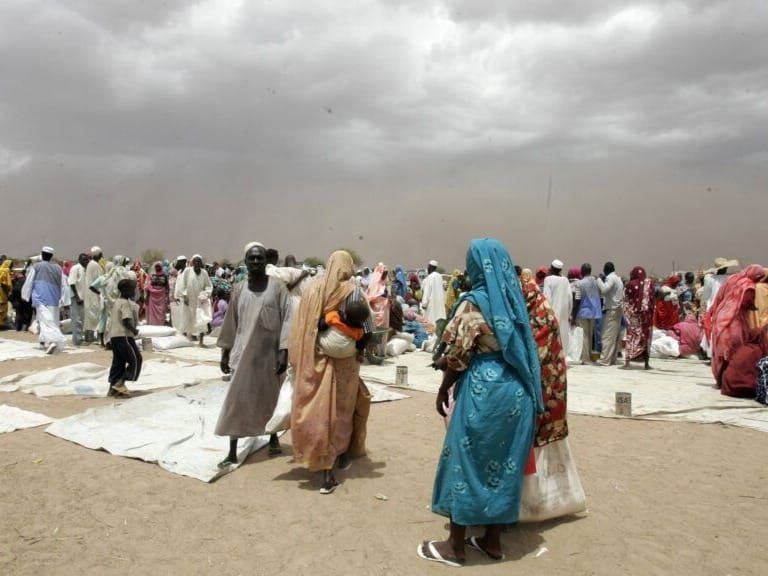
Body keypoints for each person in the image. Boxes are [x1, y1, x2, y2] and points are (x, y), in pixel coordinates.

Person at [418, 239, 543, 567]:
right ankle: (492, 540)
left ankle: (456, 546)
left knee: (465, 459)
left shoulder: (473, 304)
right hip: (517, 392)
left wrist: (442, 389)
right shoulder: (515, 302)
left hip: (484, 391)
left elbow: (458, 356)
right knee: (504, 466)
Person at [290, 250, 371, 494]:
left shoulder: (313, 290)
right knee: (341, 411)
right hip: (344, 366)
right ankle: (336, 458)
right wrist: (358, 348)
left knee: (317, 409)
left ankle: (315, 456)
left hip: (316, 360)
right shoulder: (353, 291)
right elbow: (368, 328)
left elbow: (303, 327)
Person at [215, 243, 291, 467]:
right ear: (246, 262)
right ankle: (232, 450)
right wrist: (225, 352)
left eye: (260, 259)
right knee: (236, 402)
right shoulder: (239, 289)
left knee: (271, 398)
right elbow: (231, 322)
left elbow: (288, 319)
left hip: (269, 356)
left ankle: (273, 437)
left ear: (265, 261)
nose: (256, 262)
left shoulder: (278, 288)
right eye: (252, 259)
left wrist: (283, 351)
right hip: (242, 353)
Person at [519, 271, 585, 520]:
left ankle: (535, 507)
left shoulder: (536, 319)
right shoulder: (543, 311)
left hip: (544, 392)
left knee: (536, 449)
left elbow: (531, 352)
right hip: (552, 390)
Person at [706, 265, 768, 396]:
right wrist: (756, 310)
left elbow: (719, 297)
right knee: (734, 350)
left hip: (722, 317)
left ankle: (721, 379)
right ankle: (729, 379)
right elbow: (746, 302)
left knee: (720, 351)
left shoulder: (732, 279)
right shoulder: (748, 285)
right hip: (734, 321)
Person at [21, 247, 70, 354]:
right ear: (51, 256)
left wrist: (25, 295)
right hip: (54, 300)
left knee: (46, 322)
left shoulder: (37, 266)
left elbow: (29, 282)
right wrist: (65, 300)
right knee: (50, 321)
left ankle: (52, 341)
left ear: (42, 255)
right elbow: (64, 285)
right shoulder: (58, 268)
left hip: (40, 299)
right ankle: (43, 342)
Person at [108, 278, 142, 398]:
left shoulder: (117, 302)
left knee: (118, 362)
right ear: (126, 290)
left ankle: (112, 389)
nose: (134, 292)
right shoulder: (125, 303)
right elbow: (126, 320)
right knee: (136, 359)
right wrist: (134, 330)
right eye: (133, 289)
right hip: (125, 336)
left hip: (114, 336)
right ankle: (120, 382)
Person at [622, 267, 655, 370]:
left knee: (632, 338)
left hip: (634, 318)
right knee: (645, 338)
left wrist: (628, 315)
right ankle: (646, 363)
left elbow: (626, 301)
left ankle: (627, 363)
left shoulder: (630, 284)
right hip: (647, 318)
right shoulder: (650, 284)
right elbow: (653, 300)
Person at [175, 254, 212, 346]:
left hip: (200, 301)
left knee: (201, 320)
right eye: (195, 261)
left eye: (199, 261)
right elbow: (182, 285)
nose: (197, 263)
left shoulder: (204, 273)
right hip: (189, 300)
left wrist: (206, 294)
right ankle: (187, 338)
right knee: (188, 319)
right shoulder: (188, 271)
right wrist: (184, 296)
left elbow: (208, 285)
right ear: (192, 262)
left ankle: (201, 341)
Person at [572, 263, 602, 364]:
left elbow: (577, 299)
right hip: (594, 312)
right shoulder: (596, 281)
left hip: (583, 311)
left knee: (584, 335)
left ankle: (585, 358)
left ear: (582, 271)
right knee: (590, 335)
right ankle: (588, 355)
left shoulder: (579, 284)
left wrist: (574, 315)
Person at [597, 262, 625, 366]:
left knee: (607, 335)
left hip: (612, 309)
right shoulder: (618, 278)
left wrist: (599, 279)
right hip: (617, 309)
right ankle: (612, 359)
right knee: (614, 336)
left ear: (606, 270)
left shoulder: (610, 278)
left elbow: (604, 290)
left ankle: (605, 360)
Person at [543, 259, 572, 357]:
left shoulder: (548, 279)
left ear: (551, 268)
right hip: (564, 314)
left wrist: (546, 313)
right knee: (563, 337)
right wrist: (568, 313)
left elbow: (547, 297)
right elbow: (570, 298)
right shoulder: (565, 280)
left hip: (552, 313)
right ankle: (562, 357)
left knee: (552, 337)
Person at [67, 253, 90, 346]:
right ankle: (77, 340)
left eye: (87, 260)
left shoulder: (85, 269)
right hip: (76, 298)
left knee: (81, 319)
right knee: (76, 319)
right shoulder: (75, 268)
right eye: (84, 260)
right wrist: (77, 297)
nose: (86, 261)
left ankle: (80, 337)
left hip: (83, 298)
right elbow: (72, 283)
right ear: (80, 260)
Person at [83, 246, 104, 343]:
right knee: (96, 315)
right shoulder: (95, 265)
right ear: (98, 255)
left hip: (89, 294)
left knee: (90, 316)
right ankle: (96, 338)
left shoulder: (90, 264)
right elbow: (100, 281)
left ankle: (89, 337)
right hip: (94, 294)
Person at [421, 260, 446, 327]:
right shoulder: (439, 276)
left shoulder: (430, 277)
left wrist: (424, 304)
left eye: (428, 267)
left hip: (431, 304)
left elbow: (427, 292)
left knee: (430, 323)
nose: (428, 268)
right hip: (439, 303)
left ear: (431, 267)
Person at [145, 262, 169, 326]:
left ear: (161, 267)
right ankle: (153, 325)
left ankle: (160, 325)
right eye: (156, 267)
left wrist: (167, 297)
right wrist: (147, 297)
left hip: (161, 297)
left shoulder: (165, 275)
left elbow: (167, 287)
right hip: (153, 297)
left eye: (159, 266)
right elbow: (148, 286)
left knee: (161, 311)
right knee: (152, 312)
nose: (157, 268)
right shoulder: (152, 275)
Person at [169, 256, 186, 331]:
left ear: (183, 262)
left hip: (184, 298)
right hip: (177, 298)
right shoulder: (179, 272)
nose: (177, 264)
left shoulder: (187, 271)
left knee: (185, 316)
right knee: (177, 317)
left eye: (178, 262)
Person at [0, 258, 12, 328]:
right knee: (2, 308)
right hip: (2, 292)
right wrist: (9, 292)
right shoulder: (5, 271)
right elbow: (6, 284)